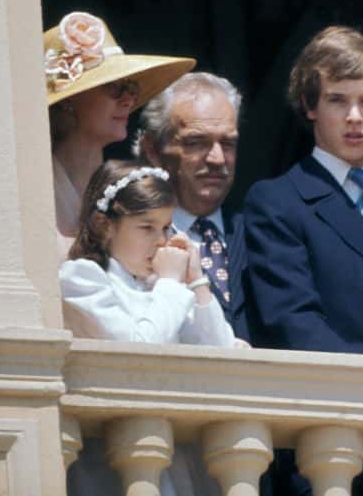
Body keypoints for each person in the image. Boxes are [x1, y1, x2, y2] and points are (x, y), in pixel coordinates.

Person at [229, 25, 363, 495]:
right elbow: (293, 321)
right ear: (309, 106)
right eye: (337, 100)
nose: (354, 117)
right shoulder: (276, 201)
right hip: (326, 445)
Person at [60, 160, 235, 496]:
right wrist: (170, 283)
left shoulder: (161, 290)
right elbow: (137, 355)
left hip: (176, 460)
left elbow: (223, 356)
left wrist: (196, 280)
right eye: (146, 228)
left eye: (167, 227)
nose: (161, 240)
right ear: (103, 225)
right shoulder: (83, 279)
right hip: (115, 464)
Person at [45, 11, 194, 248]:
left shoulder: (124, 187)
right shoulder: (35, 194)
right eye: (113, 87)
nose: (128, 100)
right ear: (68, 99)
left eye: (131, 88)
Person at [135, 72, 250, 341]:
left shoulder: (263, 228)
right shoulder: (132, 238)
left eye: (228, 143)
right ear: (153, 150)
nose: (217, 158)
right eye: (196, 143)